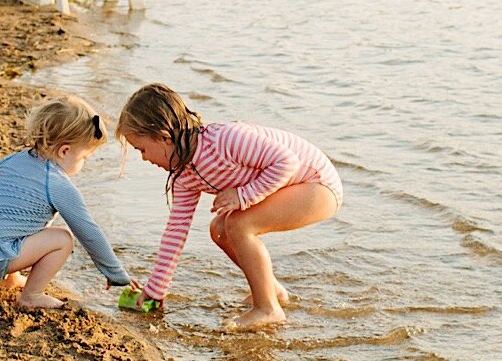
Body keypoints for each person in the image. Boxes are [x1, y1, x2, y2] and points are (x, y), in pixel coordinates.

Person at [116, 83, 340, 331]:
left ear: (164, 136)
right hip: (291, 186)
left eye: (143, 149)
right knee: (219, 228)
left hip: (318, 184)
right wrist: (155, 291)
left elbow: (286, 162)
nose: (144, 158)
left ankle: (268, 309)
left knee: (238, 223)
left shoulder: (224, 140)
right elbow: (176, 231)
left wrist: (244, 195)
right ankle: (271, 291)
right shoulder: (184, 175)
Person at [0, 96, 131, 309]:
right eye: (84, 158)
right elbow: (89, 232)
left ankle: (9, 280)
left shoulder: (14, 159)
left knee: (20, 224)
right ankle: (31, 296)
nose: (84, 163)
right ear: (64, 151)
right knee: (63, 238)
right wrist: (115, 273)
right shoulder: (58, 184)